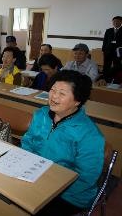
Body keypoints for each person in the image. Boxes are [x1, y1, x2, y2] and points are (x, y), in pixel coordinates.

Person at [22, 70, 104, 216]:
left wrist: (50, 189)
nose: (53, 96)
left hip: (68, 194)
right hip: (34, 176)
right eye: (52, 90)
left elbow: (87, 177)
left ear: (77, 101)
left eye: (62, 93)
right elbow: (28, 141)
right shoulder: (41, 114)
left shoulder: (89, 134)